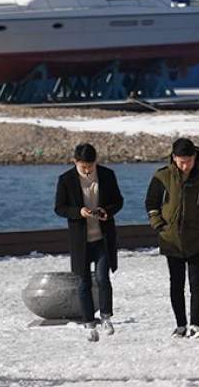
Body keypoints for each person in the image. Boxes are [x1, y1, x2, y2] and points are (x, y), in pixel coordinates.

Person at [145, 137, 199, 339]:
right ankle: (181, 325)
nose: (185, 165)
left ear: (194, 158)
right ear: (174, 158)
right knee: (176, 284)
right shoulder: (162, 176)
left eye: (189, 161)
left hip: (197, 238)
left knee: (196, 283)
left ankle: (196, 325)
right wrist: (158, 225)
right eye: (181, 161)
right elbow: (151, 202)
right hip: (171, 239)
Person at [54, 143, 124, 342]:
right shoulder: (66, 179)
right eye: (83, 166)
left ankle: (106, 316)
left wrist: (106, 211)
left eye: (90, 166)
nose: (87, 170)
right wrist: (79, 212)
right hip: (81, 240)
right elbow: (59, 208)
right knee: (83, 282)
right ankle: (89, 323)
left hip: (102, 237)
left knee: (103, 278)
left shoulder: (107, 175)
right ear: (75, 162)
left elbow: (119, 201)